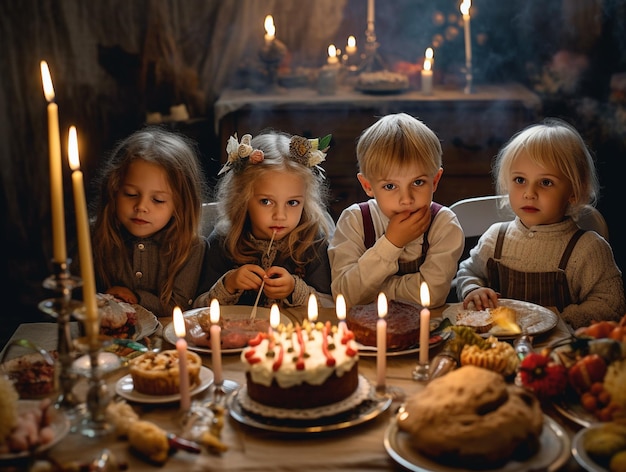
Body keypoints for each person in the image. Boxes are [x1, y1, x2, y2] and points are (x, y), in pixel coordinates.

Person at [456, 117, 625, 329]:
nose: (529, 193)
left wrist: (560, 318)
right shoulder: (495, 238)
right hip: (496, 349)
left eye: (546, 182)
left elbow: (611, 304)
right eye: (520, 180)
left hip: (556, 353)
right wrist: (473, 289)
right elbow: (468, 272)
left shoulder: (588, 249)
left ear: (574, 192)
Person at [328, 113, 464, 308]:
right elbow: (343, 295)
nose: (406, 199)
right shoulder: (355, 220)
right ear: (368, 186)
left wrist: (374, 291)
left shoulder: (444, 225)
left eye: (418, 182)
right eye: (390, 186)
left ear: (434, 181)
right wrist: (392, 243)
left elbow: (433, 295)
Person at [194, 131, 334, 309]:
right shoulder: (224, 240)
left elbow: (333, 306)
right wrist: (228, 284)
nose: (280, 215)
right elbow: (196, 307)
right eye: (266, 202)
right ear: (242, 198)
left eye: (292, 202)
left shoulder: (313, 242)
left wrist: (295, 289)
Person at [90, 126, 208, 317]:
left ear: (180, 205)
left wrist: (136, 298)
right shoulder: (92, 235)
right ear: (114, 190)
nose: (141, 206)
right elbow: (76, 298)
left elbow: (178, 307)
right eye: (131, 194)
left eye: (158, 200)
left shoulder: (191, 246)